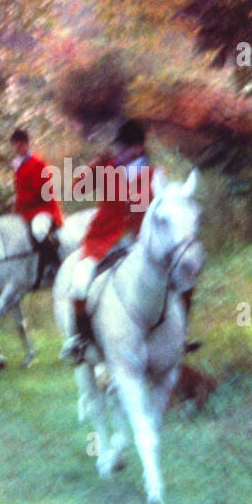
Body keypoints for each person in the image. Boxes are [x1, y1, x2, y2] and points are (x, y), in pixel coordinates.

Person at [61, 119, 156, 363]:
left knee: (171, 281)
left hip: (139, 244)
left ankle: (175, 338)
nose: (119, 151)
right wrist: (94, 165)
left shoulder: (154, 175)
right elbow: (77, 190)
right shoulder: (108, 168)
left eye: (125, 147)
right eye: (119, 147)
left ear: (139, 148)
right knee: (79, 286)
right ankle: (82, 340)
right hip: (101, 242)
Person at [11, 128, 64, 284]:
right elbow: (21, 190)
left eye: (20, 145)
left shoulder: (38, 164)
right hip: (27, 210)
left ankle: (55, 264)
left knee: (38, 231)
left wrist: (18, 201)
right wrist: (15, 205)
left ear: (27, 144)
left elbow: (41, 193)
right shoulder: (17, 164)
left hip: (44, 209)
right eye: (15, 146)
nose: (17, 149)